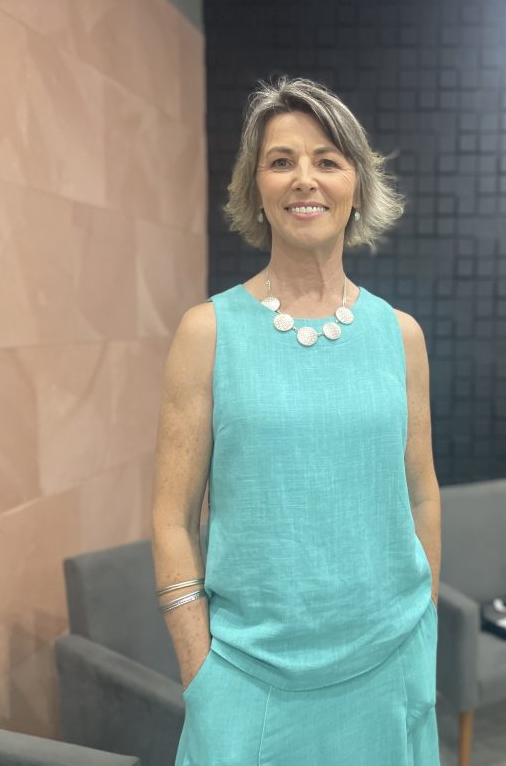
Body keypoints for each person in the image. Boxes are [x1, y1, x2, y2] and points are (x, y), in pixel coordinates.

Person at [151, 77, 441, 765]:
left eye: (327, 160)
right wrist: (201, 673)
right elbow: (171, 518)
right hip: (249, 681)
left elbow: (422, 494)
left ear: (356, 187)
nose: (304, 179)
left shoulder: (401, 336)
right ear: (256, 188)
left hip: (390, 668)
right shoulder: (207, 332)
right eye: (281, 161)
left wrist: (424, 623)